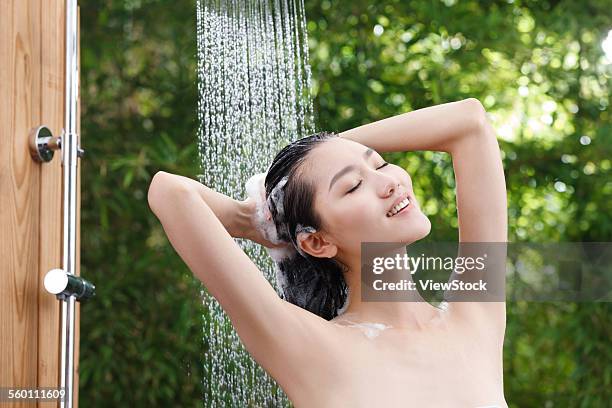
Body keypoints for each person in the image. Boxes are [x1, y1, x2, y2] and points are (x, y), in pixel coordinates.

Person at [147, 98, 508, 407]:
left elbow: (470, 121)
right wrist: (253, 219)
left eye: (379, 164)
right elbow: (170, 192)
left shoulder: (474, 318)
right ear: (317, 242)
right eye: (353, 187)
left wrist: (326, 149)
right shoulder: (314, 350)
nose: (389, 182)